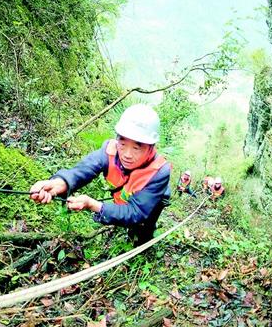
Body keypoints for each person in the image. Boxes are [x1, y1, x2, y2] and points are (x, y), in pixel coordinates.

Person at [29, 104, 171, 245]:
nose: (127, 155)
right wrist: (58, 184)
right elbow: (83, 169)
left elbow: (137, 212)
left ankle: (142, 247)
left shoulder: (159, 172)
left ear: (151, 147)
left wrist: (94, 205)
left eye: (136, 148)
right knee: (127, 218)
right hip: (124, 197)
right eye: (122, 144)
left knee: (145, 226)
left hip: (152, 201)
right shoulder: (110, 152)